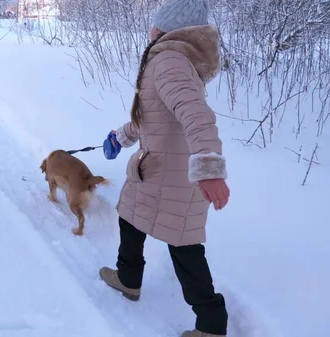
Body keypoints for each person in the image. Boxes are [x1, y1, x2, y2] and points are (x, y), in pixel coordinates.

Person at [99, 1, 231, 337]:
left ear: (165, 28)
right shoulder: (175, 59)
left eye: (155, 24)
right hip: (154, 171)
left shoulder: (167, 60)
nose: (150, 30)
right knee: (129, 217)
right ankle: (128, 280)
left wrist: (209, 167)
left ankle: (212, 325)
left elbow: (195, 113)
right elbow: (156, 116)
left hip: (174, 178)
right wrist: (121, 136)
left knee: (185, 250)